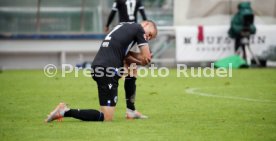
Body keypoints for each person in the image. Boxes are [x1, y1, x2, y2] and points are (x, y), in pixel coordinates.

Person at [45, 20, 157, 122]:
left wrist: (140, 59)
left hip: (100, 66)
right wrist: (144, 60)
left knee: (132, 67)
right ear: (146, 24)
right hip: (108, 69)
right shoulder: (139, 29)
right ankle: (65, 111)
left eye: (150, 38)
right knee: (107, 117)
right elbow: (146, 57)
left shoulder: (124, 26)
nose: (148, 38)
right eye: (150, 34)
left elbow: (125, 55)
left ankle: (131, 111)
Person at [105, 0, 149, 119]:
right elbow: (144, 15)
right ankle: (130, 110)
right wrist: (145, 27)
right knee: (131, 70)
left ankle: (131, 110)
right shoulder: (138, 1)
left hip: (122, 30)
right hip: (133, 32)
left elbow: (113, 13)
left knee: (130, 68)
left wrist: (107, 25)